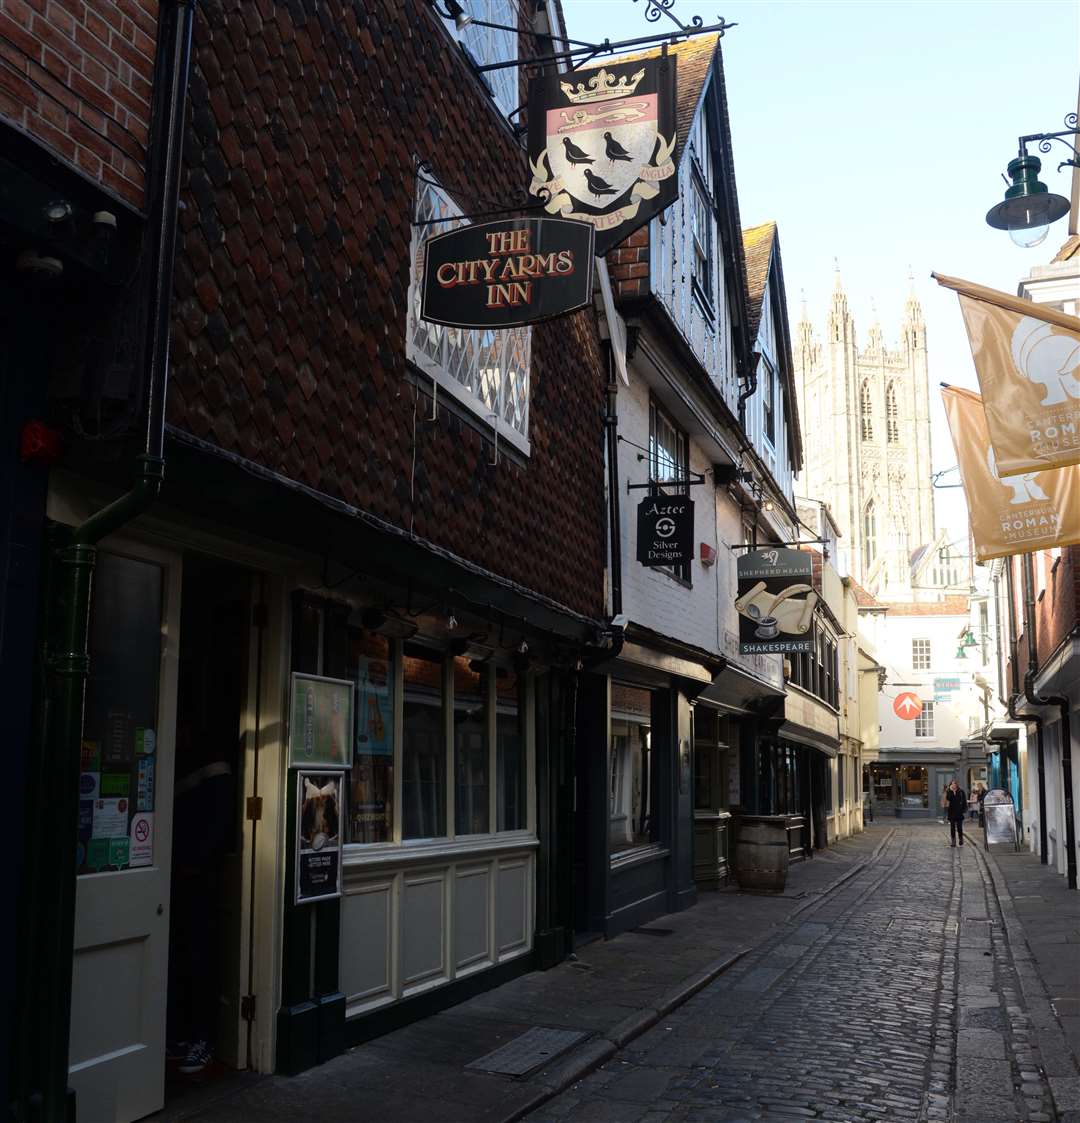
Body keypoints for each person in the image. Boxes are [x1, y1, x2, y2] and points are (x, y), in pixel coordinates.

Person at [945, 779, 968, 846]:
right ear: (950, 785)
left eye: (954, 784)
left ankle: (961, 839)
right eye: (952, 784)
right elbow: (948, 798)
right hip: (951, 812)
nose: (953, 785)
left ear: (957, 785)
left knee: (959, 827)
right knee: (952, 827)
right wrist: (951, 791)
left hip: (959, 812)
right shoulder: (949, 791)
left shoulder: (961, 791)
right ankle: (953, 841)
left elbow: (964, 801)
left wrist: (964, 809)